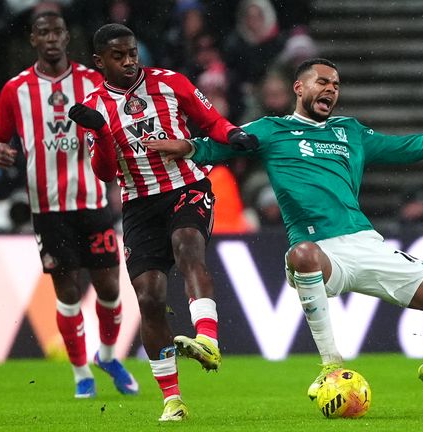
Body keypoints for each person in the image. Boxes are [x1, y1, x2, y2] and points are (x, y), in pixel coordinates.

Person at [143, 58, 423, 414]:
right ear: (298, 87)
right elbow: (217, 146)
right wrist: (189, 147)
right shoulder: (270, 130)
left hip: (366, 244)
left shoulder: (349, 130)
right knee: (301, 254)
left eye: (336, 85)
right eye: (322, 82)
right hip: (320, 252)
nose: (331, 90)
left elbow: (406, 149)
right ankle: (330, 365)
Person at [66, 23, 258, 421]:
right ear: (100, 62)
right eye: (118, 56)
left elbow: (210, 121)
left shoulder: (171, 82)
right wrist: (100, 132)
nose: (129, 61)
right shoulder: (94, 106)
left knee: (188, 247)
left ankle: (207, 338)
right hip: (138, 205)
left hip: (186, 186)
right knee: (150, 298)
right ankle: (172, 399)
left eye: (132, 52)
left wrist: (234, 133)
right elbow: (103, 172)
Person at [0, 11, 137, 399]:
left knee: (110, 290)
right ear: (33, 39)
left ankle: (108, 355)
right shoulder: (15, 89)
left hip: (93, 201)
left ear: (68, 37)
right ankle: (81, 373)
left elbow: (116, 124)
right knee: (67, 295)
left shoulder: (91, 81)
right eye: (43, 32)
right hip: (48, 209)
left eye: (58, 32)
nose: (51, 38)